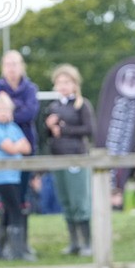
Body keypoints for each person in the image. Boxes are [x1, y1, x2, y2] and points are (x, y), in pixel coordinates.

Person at [42, 64, 95, 257]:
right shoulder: (53, 107)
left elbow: (89, 130)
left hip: (76, 157)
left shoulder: (82, 105)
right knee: (66, 200)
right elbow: (47, 135)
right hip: (58, 158)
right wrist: (49, 127)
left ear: (74, 84)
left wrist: (64, 130)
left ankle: (87, 243)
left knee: (79, 200)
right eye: (59, 82)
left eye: (67, 82)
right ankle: (74, 242)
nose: (63, 86)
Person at [0, 95, 34, 261]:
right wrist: (17, 146)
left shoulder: (13, 127)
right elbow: (12, 148)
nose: (5, 113)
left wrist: (16, 146)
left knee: (7, 212)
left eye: (7, 110)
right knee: (15, 211)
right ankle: (17, 251)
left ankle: (0, 251)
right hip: (1, 177)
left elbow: (27, 147)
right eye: (1, 110)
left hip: (14, 175)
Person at [0, 50, 39, 200]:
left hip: (25, 142)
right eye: (8, 64)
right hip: (1, 147)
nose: (11, 68)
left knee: (22, 188)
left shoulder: (30, 88)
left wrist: (9, 104)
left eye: (15, 64)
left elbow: (30, 113)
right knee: (4, 192)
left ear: (22, 66)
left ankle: (21, 213)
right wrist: (19, 106)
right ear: (3, 67)